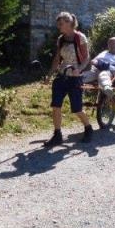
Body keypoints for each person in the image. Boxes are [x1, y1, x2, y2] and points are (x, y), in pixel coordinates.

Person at [45, 12, 94, 146]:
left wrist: (79, 69)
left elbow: (86, 58)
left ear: (69, 23)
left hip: (75, 77)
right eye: (58, 23)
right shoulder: (61, 39)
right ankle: (57, 134)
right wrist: (49, 74)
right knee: (56, 106)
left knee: (77, 108)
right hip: (62, 76)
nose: (58, 25)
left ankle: (88, 128)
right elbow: (57, 59)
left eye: (61, 23)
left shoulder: (80, 37)